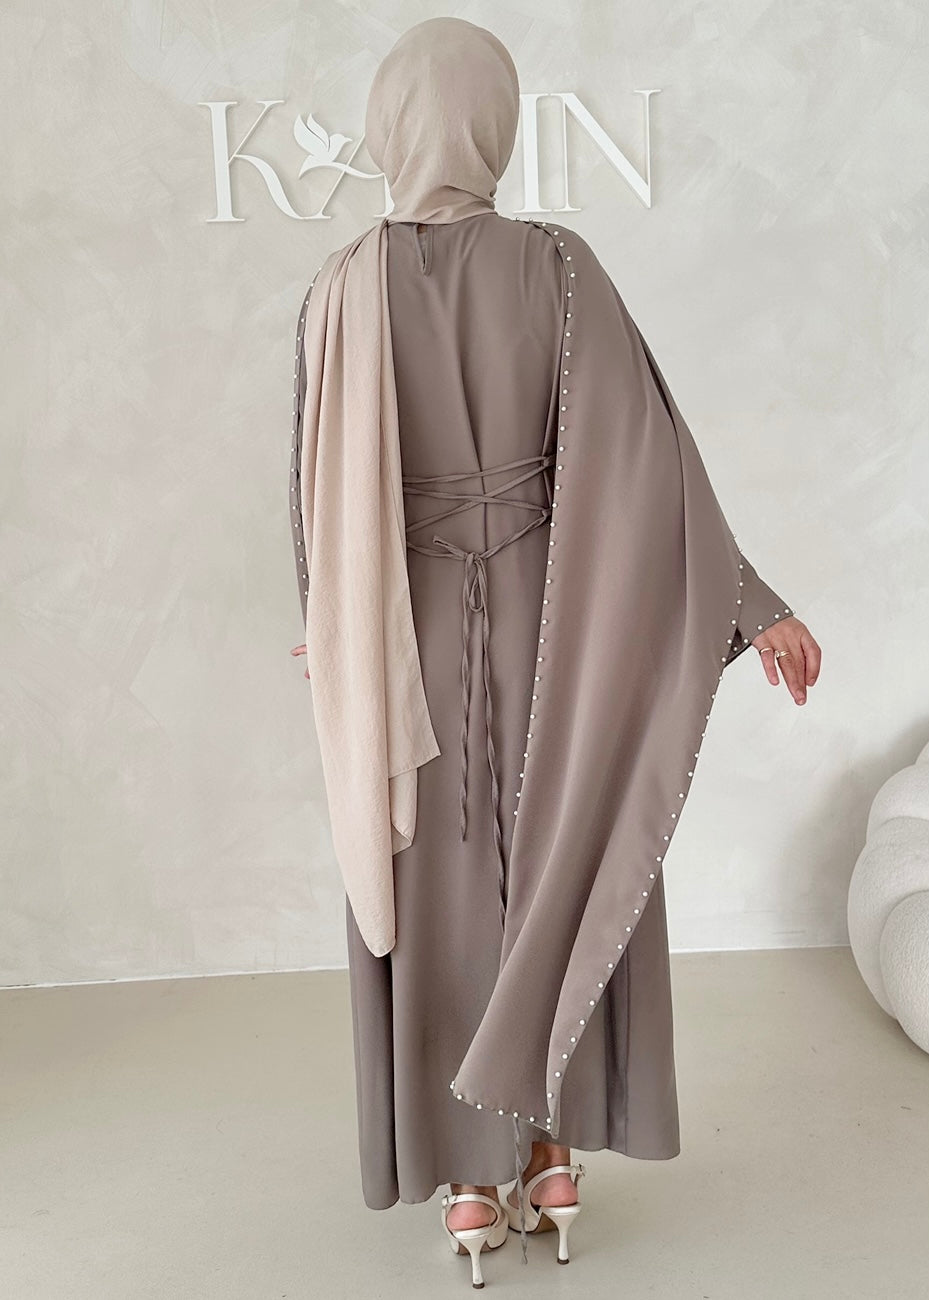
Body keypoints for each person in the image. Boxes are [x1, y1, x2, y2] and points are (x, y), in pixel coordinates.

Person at [288, 16, 822, 1288]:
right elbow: (648, 465)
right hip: (554, 616)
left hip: (403, 624)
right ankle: (550, 1152)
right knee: (561, 857)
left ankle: (466, 1183)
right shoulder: (554, 264)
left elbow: (312, 492)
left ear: (385, 125)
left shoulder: (338, 289)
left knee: (433, 879)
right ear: (496, 123)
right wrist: (749, 602)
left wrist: (327, 627)